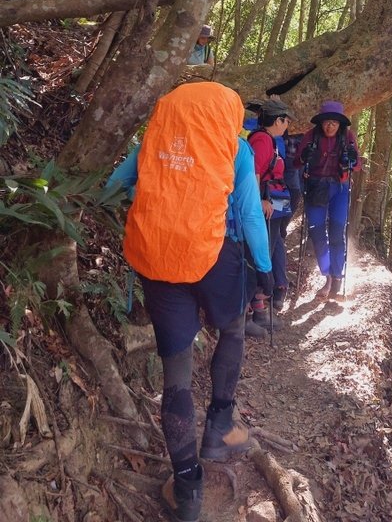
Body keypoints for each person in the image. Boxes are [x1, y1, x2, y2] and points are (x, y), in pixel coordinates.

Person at [106, 81, 272, 522]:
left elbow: (114, 183)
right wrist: (266, 268)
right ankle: (219, 426)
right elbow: (252, 213)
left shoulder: (155, 141)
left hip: (159, 260)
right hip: (217, 257)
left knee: (175, 374)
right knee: (233, 329)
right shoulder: (234, 148)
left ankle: (188, 488)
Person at [294, 100, 360, 300]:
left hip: (339, 188)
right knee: (317, 233)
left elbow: (356, 166)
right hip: (316, 188)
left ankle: (336, 278)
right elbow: (297, 162)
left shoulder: (347, 137)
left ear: (340, 123)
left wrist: (353, 159)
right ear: (321, 123)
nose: (330, 126)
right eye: (326, 122)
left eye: (334, 122)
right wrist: (305, 157)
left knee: (337, 232)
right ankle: (328, 276)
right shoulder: (310, 137)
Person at [244, 98, 294, 332]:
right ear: (277, 120)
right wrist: (259, 201)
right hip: (264, 209)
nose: (287, 125)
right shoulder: (263, 141)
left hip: (272, 209)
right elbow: (251, 173)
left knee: (268, 252)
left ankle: (259, 309)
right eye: (285, 120)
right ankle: (251, 313)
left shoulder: (269, 140)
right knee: (259, 256)